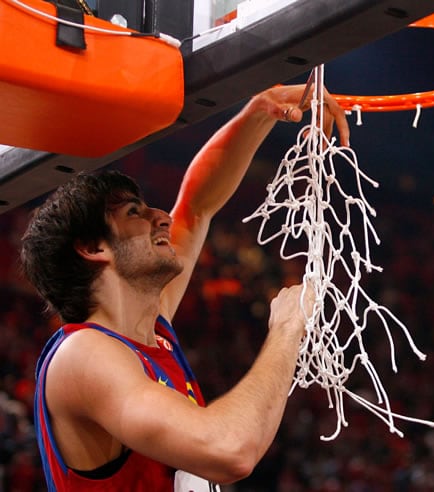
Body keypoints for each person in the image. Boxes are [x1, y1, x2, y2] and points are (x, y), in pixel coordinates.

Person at [20, 84, 350, 491]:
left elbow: (194, 208)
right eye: (134, 212)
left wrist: (259, 109)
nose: (160, 217)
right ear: (93, 247)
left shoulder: (149, 330)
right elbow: (230, 449)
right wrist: (286, 329)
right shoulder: (83, 354)